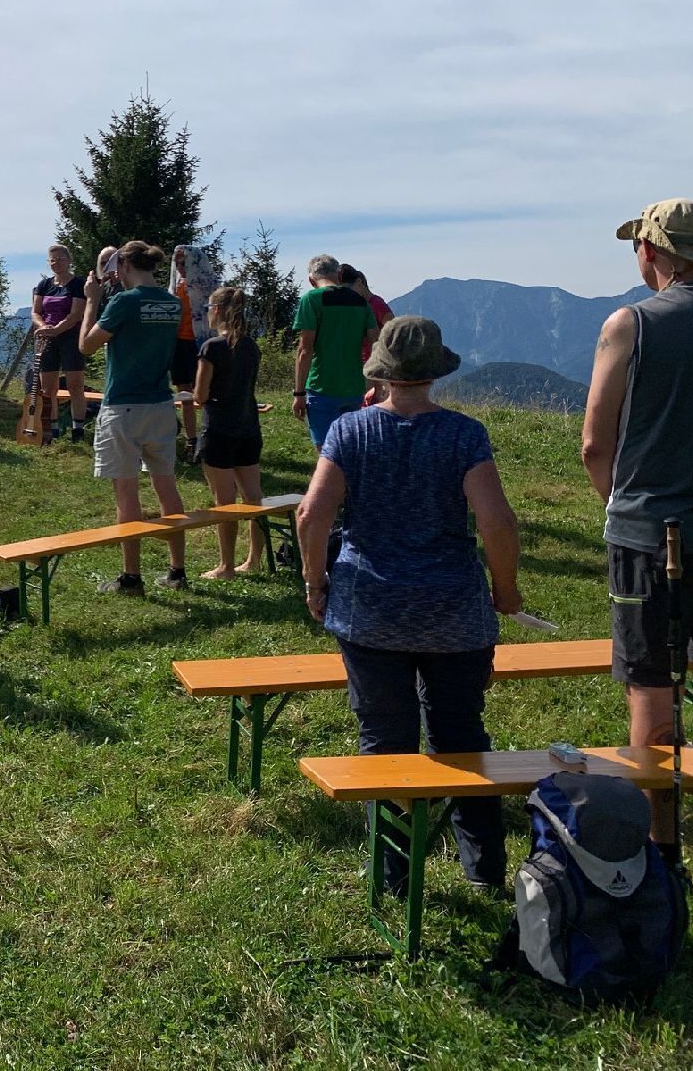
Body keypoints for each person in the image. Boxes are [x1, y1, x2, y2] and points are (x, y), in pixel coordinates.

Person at [296, 316, 522, 895]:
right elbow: (496, 520)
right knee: (462, 734)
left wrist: (315, 583)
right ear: (434, 371)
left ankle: (393, 878)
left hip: (369, 610)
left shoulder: (349, 430)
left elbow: (312, 515)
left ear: (381, 371)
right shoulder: (464, 434)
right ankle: (485, 869)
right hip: (454, 611)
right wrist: (505, 589)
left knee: (385, 740)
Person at [582, 198, 693, 899]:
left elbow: (595, 442)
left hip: (653, 538)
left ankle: (660, 856)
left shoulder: (629, 325)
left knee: (650, 690)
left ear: (651, 252)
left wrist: (621, 510)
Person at [79, 240, 189, 596]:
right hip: (161, 404)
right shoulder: (172, 303)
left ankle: (131, 578)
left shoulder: (124, 302)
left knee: (126, 492)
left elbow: (86, 346)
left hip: (123, 406)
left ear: (125, 266)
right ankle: (177, 571)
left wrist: (92, 300)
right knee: (166, 486)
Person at [193, 287, 265, 578]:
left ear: (217, 310)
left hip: (219, 430)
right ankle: (254, 560)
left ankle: (226, 566)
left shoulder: (212, 348)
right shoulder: (251, 346)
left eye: (208, 308)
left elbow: (200, 395)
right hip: (248, 427)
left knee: (224, 502)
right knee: (254, 500)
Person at [292, 254, 380, 448]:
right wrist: (378, 386)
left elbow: (305, 350)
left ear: (311, 280)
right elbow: (375, 343)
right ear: (339, 275)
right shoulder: (361, 302)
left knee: (326, 452)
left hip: (321, 387)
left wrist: (298, 393)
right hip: (354, 388)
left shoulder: (311, 300)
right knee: (350, 449)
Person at [30, 244, 88, 442]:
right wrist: (44, 327)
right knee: (48, 388)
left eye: (60, 259)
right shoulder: (44, 285)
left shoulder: (78, 284)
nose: (56, 263)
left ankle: (78, 430)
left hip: (71, 337)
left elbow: (76, 314)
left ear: (69, 260)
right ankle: (51, 429)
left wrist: (56, 329)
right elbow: (36, 312)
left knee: (75, 385)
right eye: (52, 260)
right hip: (47, 338)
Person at [170, 244, 222, 452]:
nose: (180, 268)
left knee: (207, 392)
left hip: (202, 343)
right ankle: (191, 440)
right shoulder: (175, 286)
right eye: (177, 264)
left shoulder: (209, 285)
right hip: (179, 343)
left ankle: (212, 437)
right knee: (184, 393)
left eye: (184, 263)